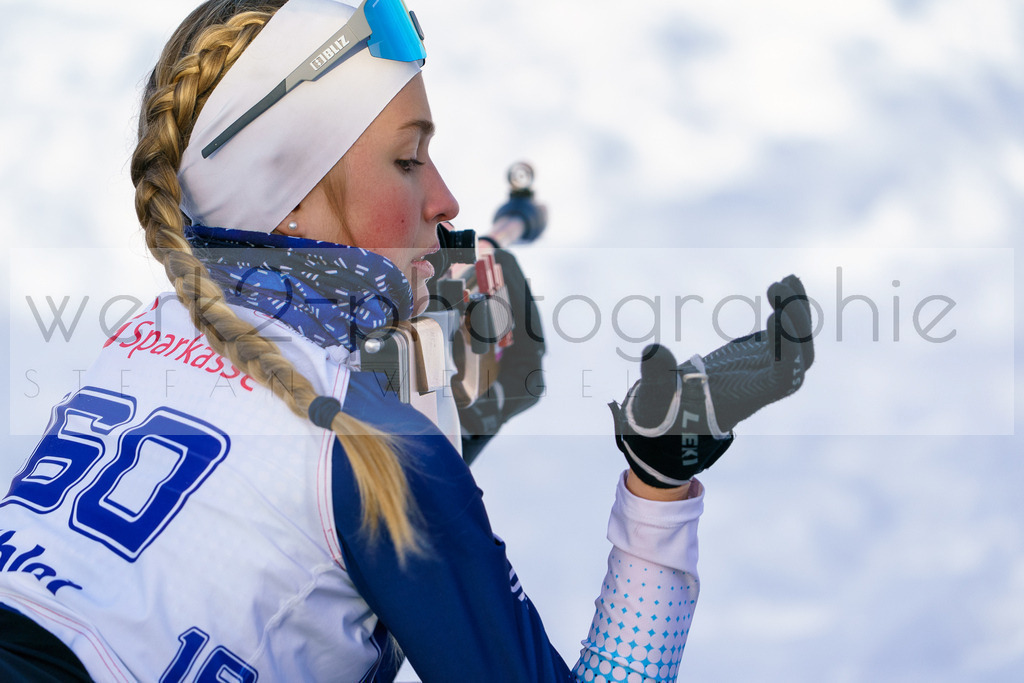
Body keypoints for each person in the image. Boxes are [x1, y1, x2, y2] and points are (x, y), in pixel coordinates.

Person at [0, 1, 814, 681]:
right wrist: (656, 482)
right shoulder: (379, 455)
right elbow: (354, 483)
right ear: (291, 200)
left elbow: (287, 513)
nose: (447, 199)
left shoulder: (143, 339)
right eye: (409, 159)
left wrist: (445, 406)